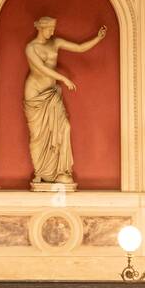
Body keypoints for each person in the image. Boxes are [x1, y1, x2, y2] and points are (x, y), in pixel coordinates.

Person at [23, 18, 105, 186]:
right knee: (38, 136)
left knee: (65, 127)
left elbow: (79, 48)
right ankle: (40, 172)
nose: (53, 32)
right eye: (50, 29)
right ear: (42, 28)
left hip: (51, 94)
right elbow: (42, 69)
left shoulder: (55, 42)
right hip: (35, 95)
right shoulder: (31, 48)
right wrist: (64, 79)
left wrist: (98, 38)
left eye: (54, 29)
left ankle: (62, 170)